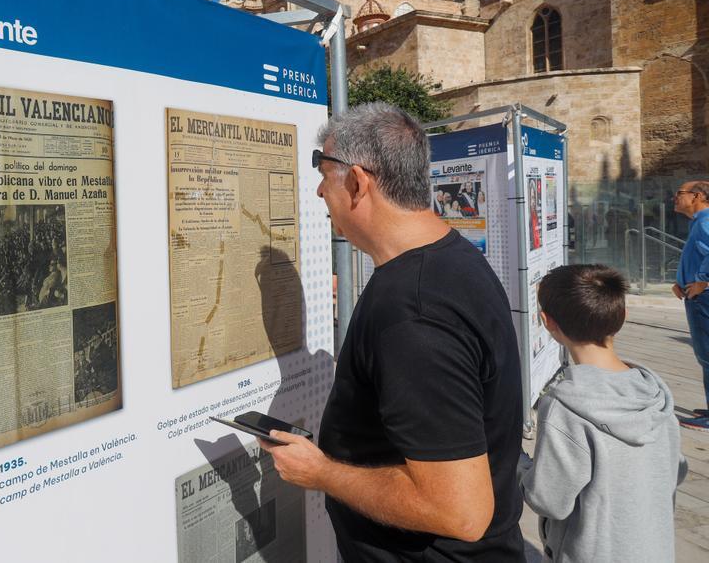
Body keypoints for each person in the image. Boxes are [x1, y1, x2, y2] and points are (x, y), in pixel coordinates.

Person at [260, 102, 524, 560]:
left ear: (359, 182)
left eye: (324, 173)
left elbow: (460, 511)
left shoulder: (414, 313)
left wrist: (321, 472)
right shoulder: (448, 260)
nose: (320, 191)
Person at [520, 264, 685, 561]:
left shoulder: (565, 407)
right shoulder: (655, 396)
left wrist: (520, 466)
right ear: (622, 316)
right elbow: (677, 469)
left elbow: (549, 499)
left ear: (547, 322)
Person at [673, 180, 709, 431]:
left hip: (703, 299)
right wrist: (681, 280)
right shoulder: (700, 222)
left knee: (708, 357)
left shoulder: (706, 221)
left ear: (696, 196)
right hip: (698, 296)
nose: (675, 197)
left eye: (679, 193)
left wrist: (703, 282)